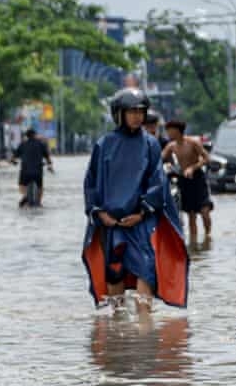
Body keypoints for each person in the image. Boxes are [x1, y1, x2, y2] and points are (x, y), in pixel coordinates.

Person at [82, 88, 189, 314]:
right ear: (119, 113)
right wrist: (100, 213)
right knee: (114, 273)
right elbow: (91, 182)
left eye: (140, 111)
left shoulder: (150, 144)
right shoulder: (104, 145)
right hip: (111, 222)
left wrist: (142, 212)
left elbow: (157, 181)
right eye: (131, 111)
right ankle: (117, 330)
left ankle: (144, 328)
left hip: (141, 221)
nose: (137, 116)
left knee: (146, 270)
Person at [162, 119, 214, 238]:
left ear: (177, 131)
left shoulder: (193, 142)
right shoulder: (171, 146)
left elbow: (206, 158)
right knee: (191, 214)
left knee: (204, 211)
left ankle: (208, 236)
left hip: (197, 179)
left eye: (170, 131)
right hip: (183, 179)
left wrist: (193, 168)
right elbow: (160, 158)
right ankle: (194, 242)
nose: (168, 134)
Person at [12, 128, 54, 206]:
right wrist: (50, 165)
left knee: (21, 185)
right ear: (35, 135)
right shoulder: (41, 144)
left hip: (25, 171)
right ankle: (39, 202)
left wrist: (13, 162)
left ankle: (25, 195)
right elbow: (47, 157)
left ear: (26, 136)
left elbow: (14, 157)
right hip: (38, 171)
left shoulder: (23, 144)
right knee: (40, 187)